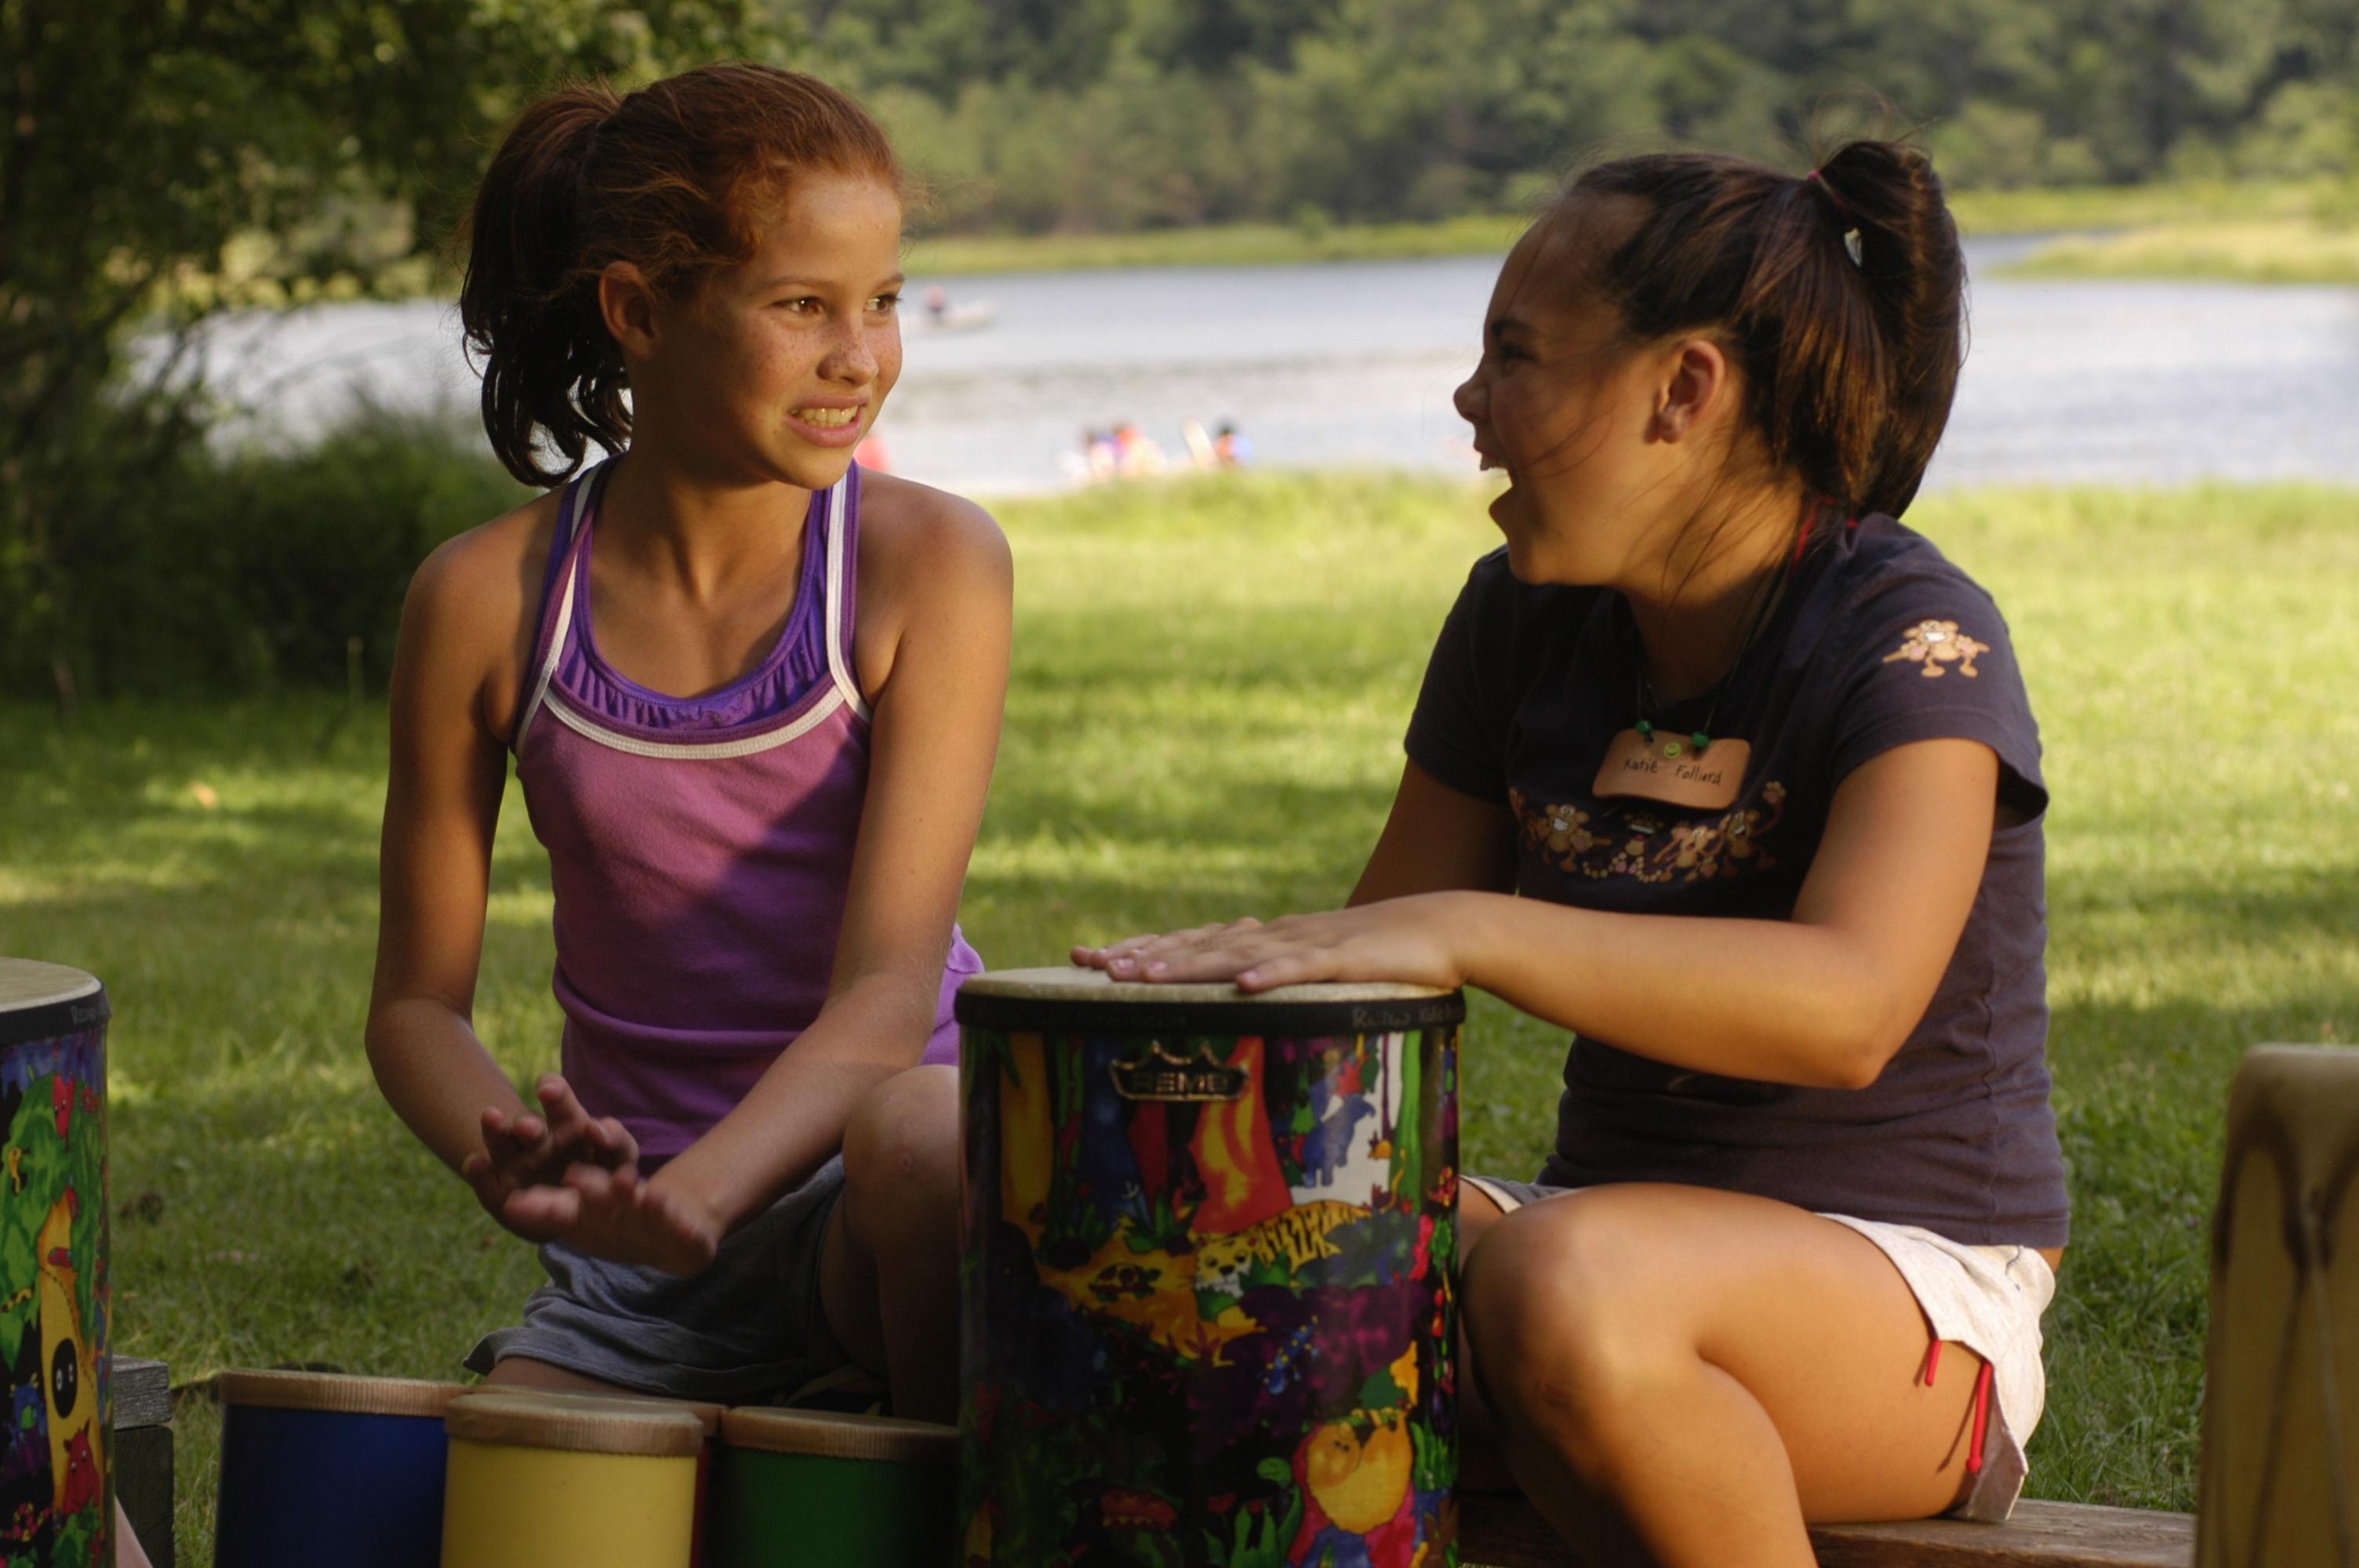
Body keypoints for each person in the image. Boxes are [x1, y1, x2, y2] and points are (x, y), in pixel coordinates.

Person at [1077, 140, 2065, 1565]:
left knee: (1566, 1280)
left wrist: (1474, 930)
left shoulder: (1914, 639)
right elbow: (1363, 979)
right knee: (1206, 1256)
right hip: (1588, 1246)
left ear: (1683, 390)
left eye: (1515, 357)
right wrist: (1149, 1074)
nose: (1472, 408)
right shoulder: (1521, 621)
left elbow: (1849, 1009)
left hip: (1909, 1299)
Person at [365, 64, 1010, 1425]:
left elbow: (892, 998)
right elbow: (415, 1009)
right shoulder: (484, 602)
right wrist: (520, 1158)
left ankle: (920, 1450)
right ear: (640, 311)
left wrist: (701, 1197)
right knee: (502, 1496)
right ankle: (811, 1402)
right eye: (802, 306)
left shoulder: (927, 565)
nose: (861, 356)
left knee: (933, 1143)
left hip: (880, 1193)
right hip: (639, 1263)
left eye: (884, 301)